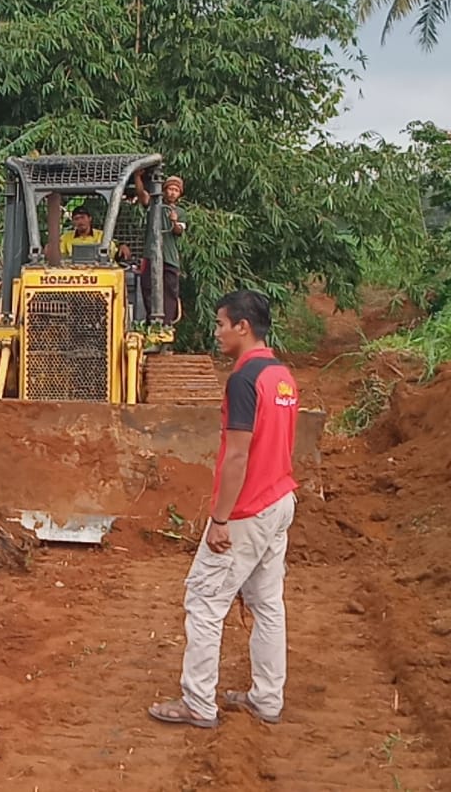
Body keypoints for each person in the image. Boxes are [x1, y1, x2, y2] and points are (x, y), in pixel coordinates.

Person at [149, 289, 299, 730]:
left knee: (204, 600)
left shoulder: (244, 380)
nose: (216, 333)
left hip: (249, 508)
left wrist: (220, 519)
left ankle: (198, 702)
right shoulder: (282, 376)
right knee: (268, 603)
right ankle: (267, 699)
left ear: (242, 326)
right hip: (279, 500)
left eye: (220, 324)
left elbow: (238, 454)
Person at [136, 173, 186, 324]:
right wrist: (137, 177)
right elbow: (141, 194)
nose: (172, 192)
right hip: (150, 254)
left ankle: (167, 323)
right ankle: (151, 320)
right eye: (169, 189)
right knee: (147, 287)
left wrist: (175, 222)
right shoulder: (153, 204)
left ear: (179, 194)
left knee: (169, 291)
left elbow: (179, 231)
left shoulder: (181, 212)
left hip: (169, 257)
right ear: (164, 190)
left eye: (175, 190)